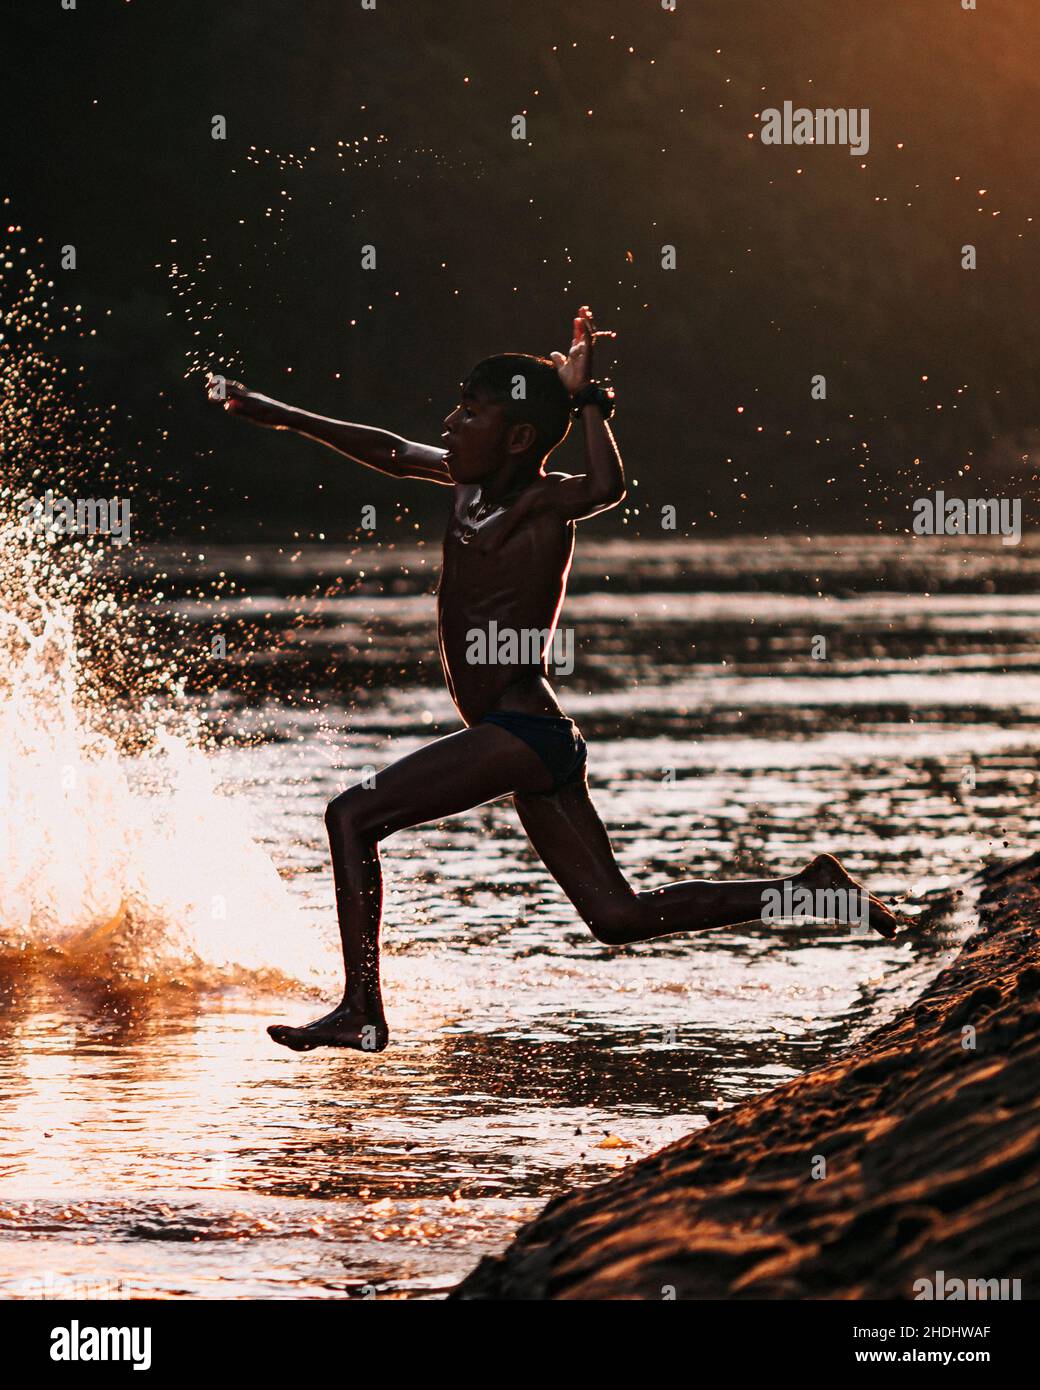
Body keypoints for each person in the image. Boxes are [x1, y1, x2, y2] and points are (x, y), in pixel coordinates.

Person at [207, 306, 897, 1053]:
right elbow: (384, 447)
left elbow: (608, 484)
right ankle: (811, 893)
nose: (446, 425)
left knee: (352, 818)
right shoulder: (462, 483)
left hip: (521, 731)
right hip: (534, 742)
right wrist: (275, 413)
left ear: (518, 440)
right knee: (618, 917)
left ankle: (362, 1008)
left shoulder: (543, 503)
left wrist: (589, 397)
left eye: (468, 415)